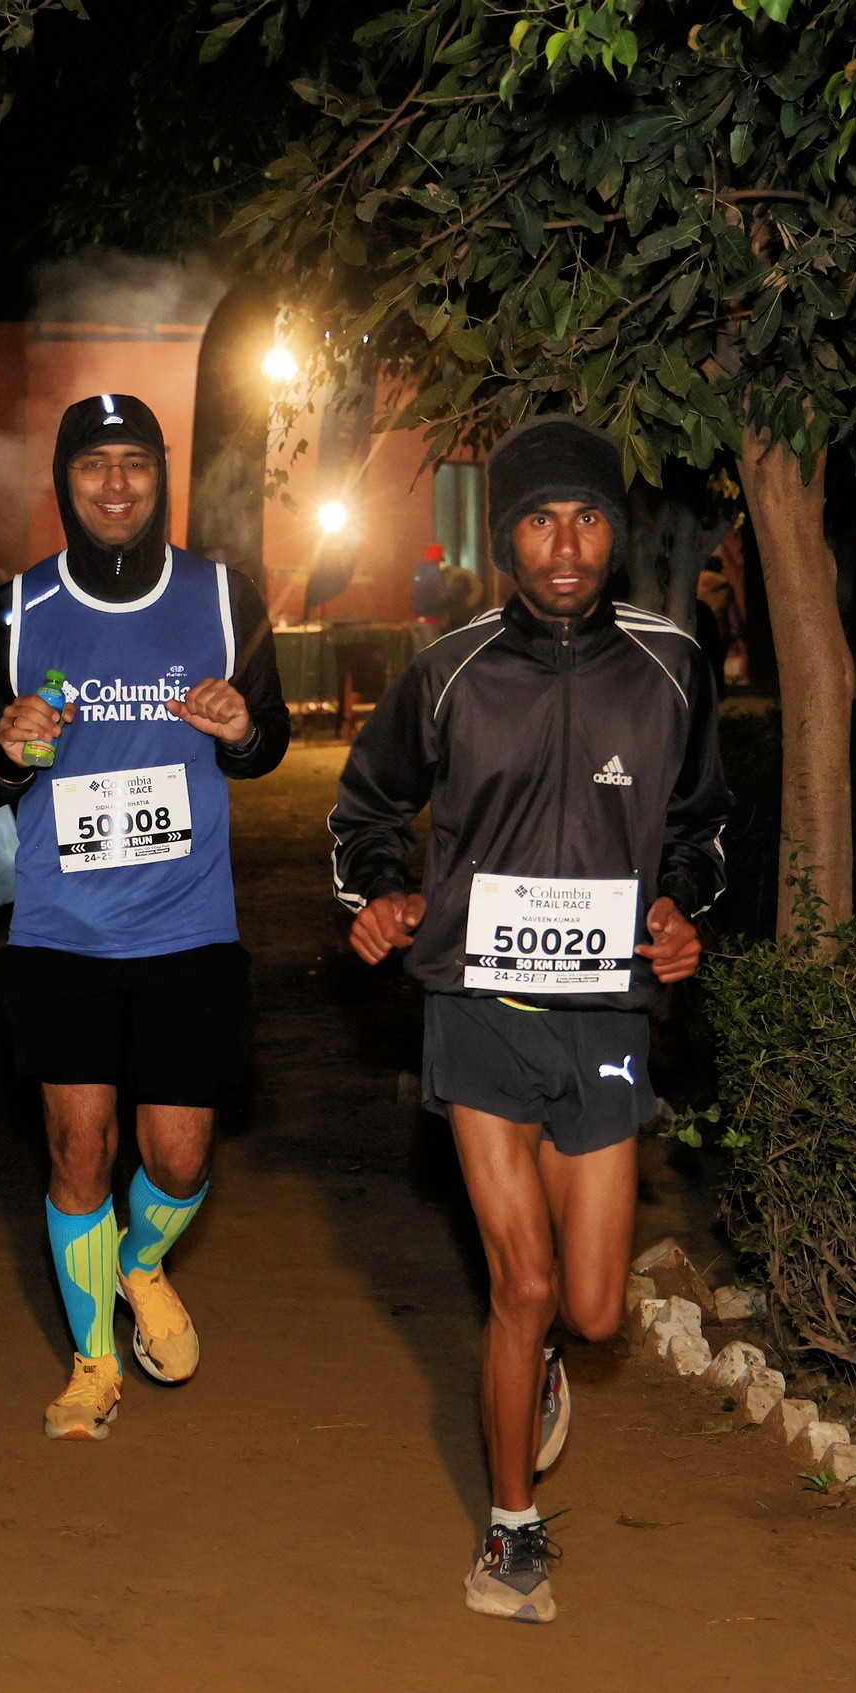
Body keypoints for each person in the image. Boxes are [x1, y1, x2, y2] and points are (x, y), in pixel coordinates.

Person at [329, 414, 731, 1623]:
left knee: (592, 1308)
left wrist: (681, 908)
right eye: (541, 520)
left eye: (587, 517)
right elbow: (366, 807)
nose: (565, 544)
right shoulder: (449, 669)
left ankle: (550, 1355)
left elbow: (701, 830)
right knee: (522, 1280)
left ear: (617, 532)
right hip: (479, 1009)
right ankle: (512, 1534)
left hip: (603, 1014)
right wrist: (381, 893)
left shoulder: (670, 665)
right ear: (506, 537)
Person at [0, 393, 288, 1442]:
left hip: (190, 928)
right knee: (79, 1148)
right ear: (65, 481)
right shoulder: (17, 612)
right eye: (92, 464)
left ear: (160, 475)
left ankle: (139, 1263)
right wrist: (9, 749)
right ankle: (94, 1361)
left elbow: (266, 741)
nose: (114, 483)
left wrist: (241, 729)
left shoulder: (224, 597)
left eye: (133, 462)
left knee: (179, 1157)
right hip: (65, 930)